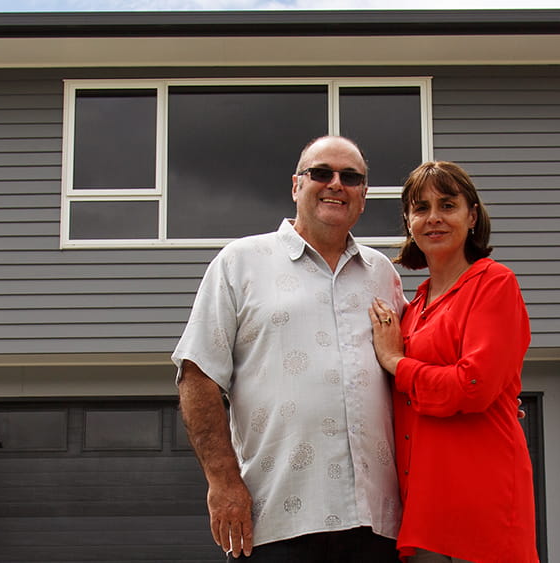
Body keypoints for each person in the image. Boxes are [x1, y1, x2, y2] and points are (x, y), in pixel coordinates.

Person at [172, 136, 406, 562]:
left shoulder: (382, 274)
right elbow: (197, 374)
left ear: (363, 196)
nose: (336, 184)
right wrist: (223, 481)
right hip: (276, 521)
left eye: (351, 177)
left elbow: (415, 364)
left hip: (378, 525)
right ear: (297, 185)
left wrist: (488, 399)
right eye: (321, 173)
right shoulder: (240, 262)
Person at [369, 161, 539, 563]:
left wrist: (396, 361)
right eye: (421, 208)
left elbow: (473, 387)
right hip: (423, 509)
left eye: (447, 205)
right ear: (408, 221)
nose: (434, 218)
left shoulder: (494, 283)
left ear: (472, 216)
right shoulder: (411, 308)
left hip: (481, 501)